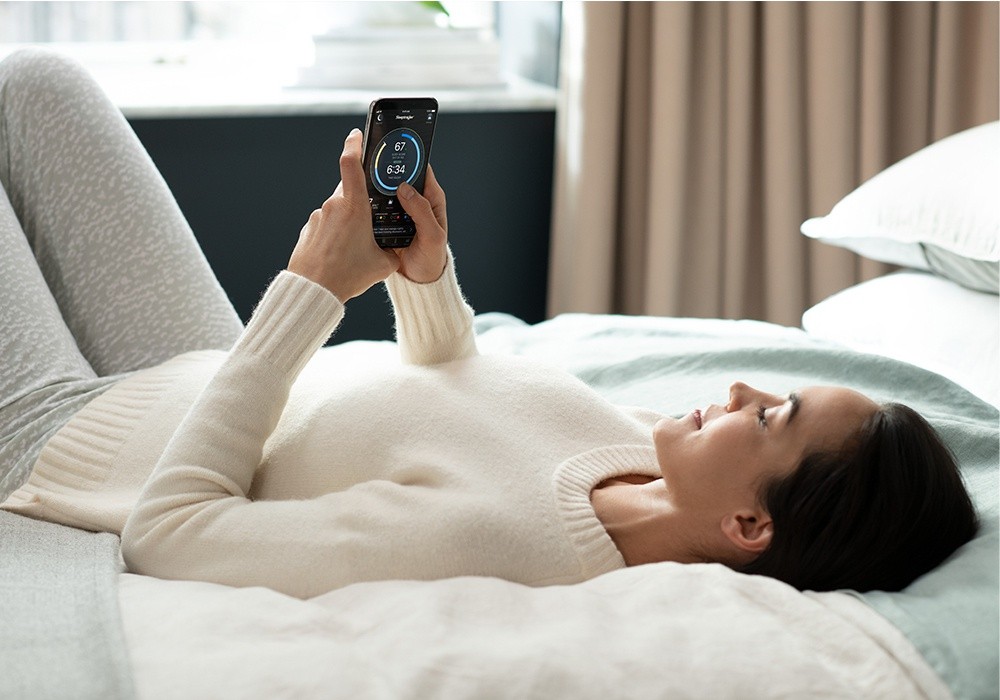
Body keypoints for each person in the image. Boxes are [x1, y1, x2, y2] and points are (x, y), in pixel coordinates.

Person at [0, 49, 977, 599]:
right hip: (199, 366)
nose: (737, 389)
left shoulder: (494, 543)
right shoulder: (632, 451)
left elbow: (174, 533)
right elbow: (457, 382)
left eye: (768, 418)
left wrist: (312, 290)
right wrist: (424, 277)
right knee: (41, 82)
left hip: (63, 432)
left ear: (748, 524)